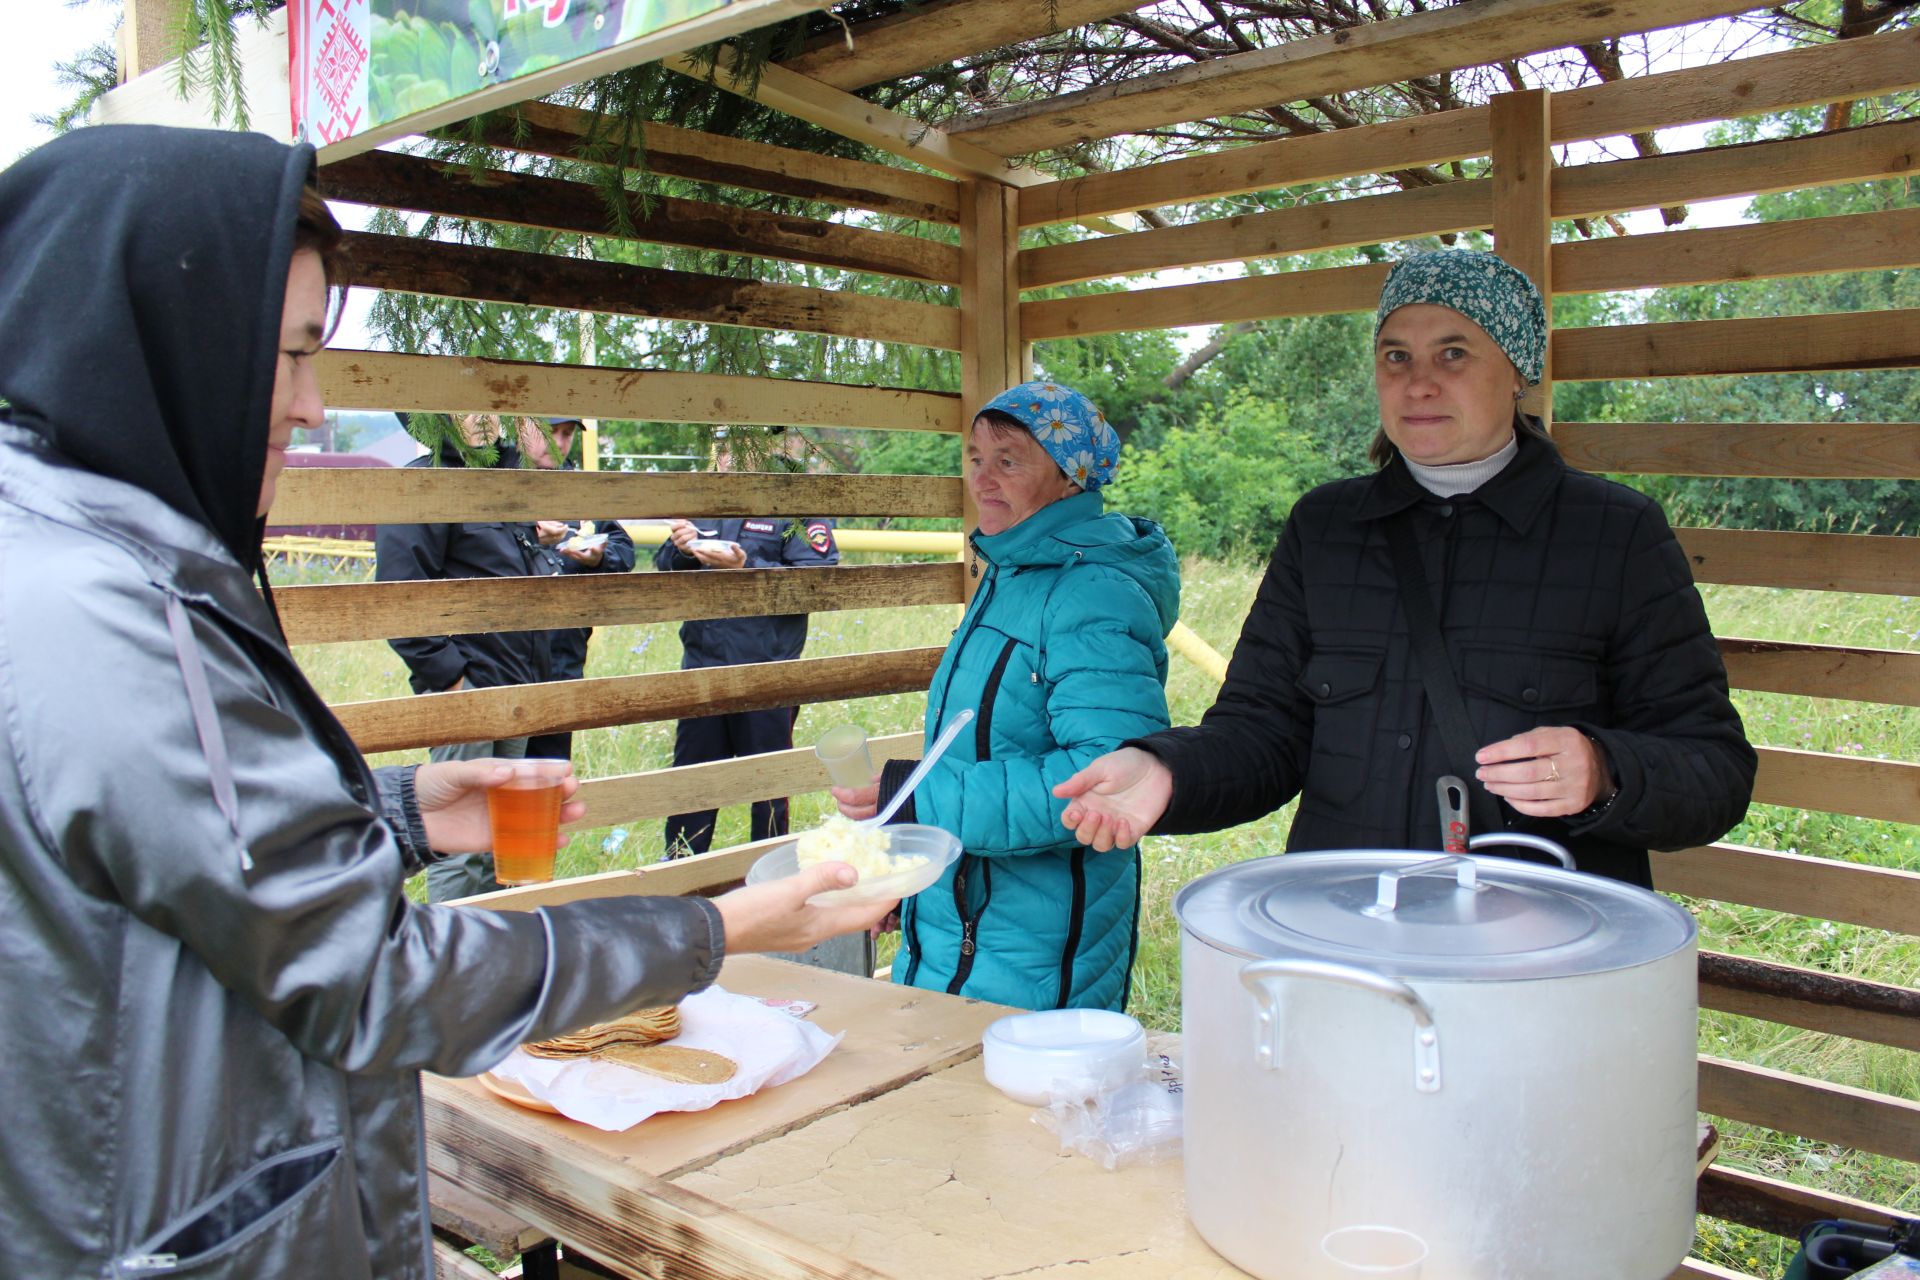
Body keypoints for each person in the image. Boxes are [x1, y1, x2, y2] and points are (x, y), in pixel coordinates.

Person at [0, 126, 893, 1280]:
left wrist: (407, 808)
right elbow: (375, 975)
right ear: (168, 349)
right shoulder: (115, 616)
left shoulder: (50, 561)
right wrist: (716, 928)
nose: (313, 406)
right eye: (289, 355)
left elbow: (180, 859)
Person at [1056, 251, 1756, 886]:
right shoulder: (1325, 528)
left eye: (1453, 354)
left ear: (1516, 369)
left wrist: (1606, 771)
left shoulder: (1615, 532)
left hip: (1540, 951)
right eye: (1396, 357)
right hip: (1348, 934)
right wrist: (1167, 771)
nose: (1418, 383)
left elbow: (1715, 770)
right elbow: (1262, 734)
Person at [831, 382, 1180, 1012]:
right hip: (959, 932)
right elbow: (992, 742)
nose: (983, 478)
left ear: (1071, 479)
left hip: (1035, 958)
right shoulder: (1013, 569)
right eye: (974, 458)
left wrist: (914, 801)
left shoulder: (1093, 593)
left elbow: (1104, 780)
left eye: (1009, 459)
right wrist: (908, 871)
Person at [375, 412, 558, 900]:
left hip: (517, 688)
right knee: (461, 845)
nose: (485, 418)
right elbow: (399, 597)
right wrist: (453, 680)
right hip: (469, 692)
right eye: (468, 408)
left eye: (492, 406)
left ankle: (496, 953)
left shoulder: (504, 484)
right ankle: (453, 957)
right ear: (438, 419)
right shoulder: (426, 483)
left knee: (506, 840)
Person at [654, 438, 840, 856]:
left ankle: (772, 877)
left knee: (770, 789)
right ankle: (681, 873)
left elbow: (817, 583)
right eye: (719, 443)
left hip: (767, 676)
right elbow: (665, 571)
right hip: (703, 671)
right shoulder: (708, 499)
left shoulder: (793, 501)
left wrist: (746, 568)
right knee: (692, 783)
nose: (724, 453)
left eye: (735, 443)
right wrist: (682, 550)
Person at [521, 414, 637, 764]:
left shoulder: (581, 489)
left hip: (562, 655)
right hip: (504, 657)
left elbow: (623, 548)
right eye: (549, 432)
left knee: (552, 774)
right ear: (520, 429)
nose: (559, 442)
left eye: (567, 433)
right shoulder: (497, 484)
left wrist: (597, 558)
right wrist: (528, 538)